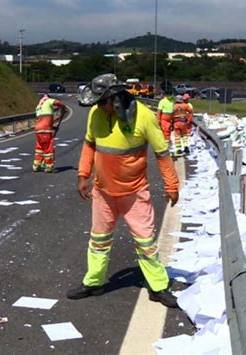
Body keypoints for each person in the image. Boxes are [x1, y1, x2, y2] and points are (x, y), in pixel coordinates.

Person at [67, 73, 180, 308]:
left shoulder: (144, 117)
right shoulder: (96, 115)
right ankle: (94, 282)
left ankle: (158, 287)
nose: (98, 107)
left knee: (146, 242)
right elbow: (89, 145)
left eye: (102, 102)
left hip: (134, 194)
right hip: (103, 193)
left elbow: (162, 153)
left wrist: (171, 185)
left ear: (115, 98)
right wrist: (83, 175)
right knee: (98, 240)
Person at [32, 94, 66, 173]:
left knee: (39, 148)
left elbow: (43, 120)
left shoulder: (38, 107)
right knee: (48, 147)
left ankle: (36, 165)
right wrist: (63, 107)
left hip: (38, 130)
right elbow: (58, 103)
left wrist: (53, 127)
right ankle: (49, 166)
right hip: (45, 130)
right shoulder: (47, 101)